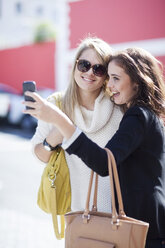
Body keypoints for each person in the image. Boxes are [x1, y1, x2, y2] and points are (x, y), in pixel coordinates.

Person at [23, 47, 165, 248]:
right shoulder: (142, 113)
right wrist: (54, 135)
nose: (110, 83)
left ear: (136, 80)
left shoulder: (134, 115)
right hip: (109, 220)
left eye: (107, 74)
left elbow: (104, 163)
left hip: (138, 226)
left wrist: (60, 121)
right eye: (83, 65)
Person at [30, 37, 123, 213]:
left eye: (99, 69)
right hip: (76, 214)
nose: (89, 73)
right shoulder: (56, 105)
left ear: (106, 76)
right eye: (84, 65)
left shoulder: (119, 107)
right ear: (75, 65)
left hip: (118, 215)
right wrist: (52, 139)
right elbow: (39, 156)